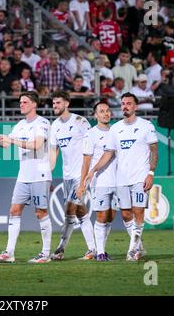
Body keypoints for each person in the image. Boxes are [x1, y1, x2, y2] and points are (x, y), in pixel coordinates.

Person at [86, 92, 157, 261]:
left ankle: (133, 250)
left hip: (140, 178)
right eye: (123, 103)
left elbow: (154, 152)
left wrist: (151, 173)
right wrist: (93, 169)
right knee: (126, 214)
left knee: (138, 212)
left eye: (129, 103)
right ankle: (139, 246)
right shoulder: (116, 128)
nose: (125, 106)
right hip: (121, 180)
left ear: (135, 106)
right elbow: (108, 154)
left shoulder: (146, 126)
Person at [0, 91, 52, 263]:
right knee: (14, 211)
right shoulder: (20, 124)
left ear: (34, 104)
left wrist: (12, 141)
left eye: (25, 102)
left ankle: (45, 254)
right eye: (20, 102)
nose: (21, 104)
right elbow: (5, 143)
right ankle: (9, 252)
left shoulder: (42, 123)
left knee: (40, 213)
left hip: (39, 174)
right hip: (23, 176)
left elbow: (36, 145)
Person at [48, 91, 95, 261]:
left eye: (58, 103)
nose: (55, 106)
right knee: (81, 212)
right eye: (53, 103)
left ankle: (60, 248)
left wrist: (89, 173)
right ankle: (93, 249)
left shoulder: (80, 122)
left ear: (67, 104)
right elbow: (53, 152)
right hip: (67, 176)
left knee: (69, 209)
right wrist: (49, 175)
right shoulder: (55, 126)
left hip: (80, 175)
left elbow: (93, 144)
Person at [77, 101, 117, 262]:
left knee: (110, 216)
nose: (106, 113)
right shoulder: (90, 134)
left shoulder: (116, 131)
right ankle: (99, 252)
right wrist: (82, 183)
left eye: (107, 111)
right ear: (95, 115)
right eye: (102, 111)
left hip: (118, 180)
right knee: (101, 215)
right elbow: (86, 161)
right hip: (100, 181)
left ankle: (102, 249)